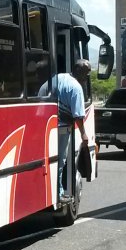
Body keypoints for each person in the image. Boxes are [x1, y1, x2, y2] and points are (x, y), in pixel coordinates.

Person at [53, 60, 91, 203]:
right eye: (86, 73)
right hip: (62, 128)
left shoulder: (59, 77)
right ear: (79, 72)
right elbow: (78, 115)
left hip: (47, 126)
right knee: (60, 161)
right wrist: (83, 133)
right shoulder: (76, 87)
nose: (86, 77)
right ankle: (59, 193)